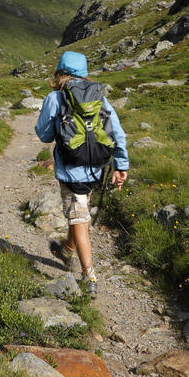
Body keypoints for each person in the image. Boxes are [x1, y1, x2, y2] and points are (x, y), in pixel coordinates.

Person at [34, 50, 128, 295]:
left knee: (80, 221)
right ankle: (67, 250)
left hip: (70, 172)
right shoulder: (99, 97)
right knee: (79, 213)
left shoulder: (55, 97)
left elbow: (44, 135)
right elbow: (117, 134)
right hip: (96, 168)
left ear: (59, 73)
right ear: (85, 74)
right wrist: (121, 166)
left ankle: (89, 276)